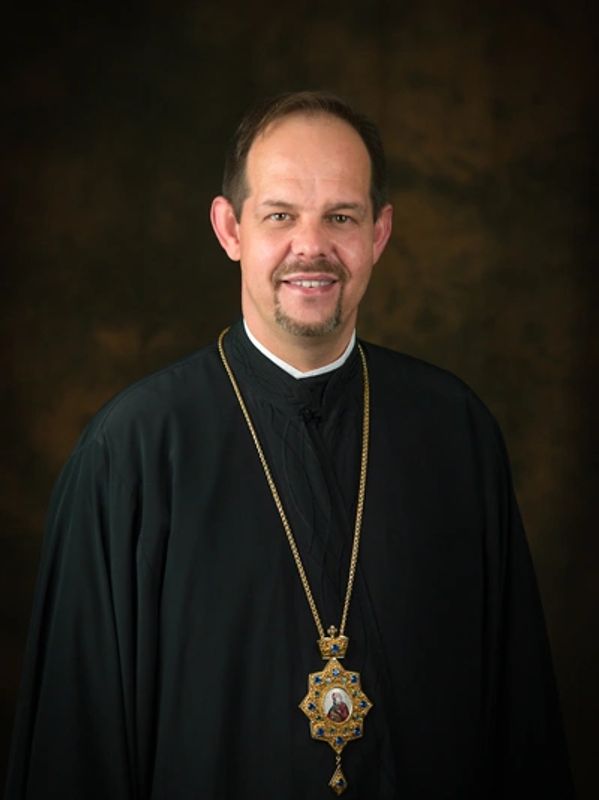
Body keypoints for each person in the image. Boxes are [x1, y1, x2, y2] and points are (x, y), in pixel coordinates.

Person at [6, 91, 574, 799]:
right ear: (229, 229)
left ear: (379, 234)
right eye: (280, 216)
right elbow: (74, 748)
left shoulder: (454, 434)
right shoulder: (132, 454)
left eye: (341, 216)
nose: (312, 247)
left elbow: (520, 731)